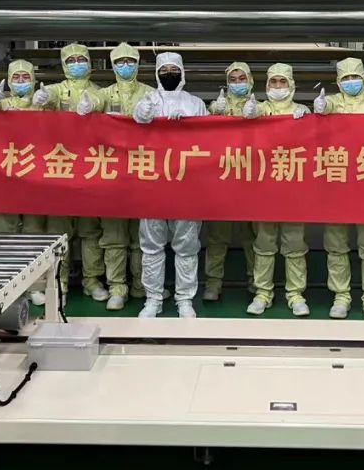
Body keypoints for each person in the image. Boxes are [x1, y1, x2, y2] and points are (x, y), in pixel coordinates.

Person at [133, 52, 209, 318]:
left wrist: (191, 125)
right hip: (153, 185)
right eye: (163, 70)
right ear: (156, 73)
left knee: (187, 246)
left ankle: (184, 299)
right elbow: (133, 131)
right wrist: (141, 114)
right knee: (151, 246)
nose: (169, 74)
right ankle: (153, 299)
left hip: (187, 186)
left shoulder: (195, 104)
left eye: (173, 69)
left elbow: (211, 140)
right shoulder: (147, 101)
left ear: (182, 72)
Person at [32, 43, 109, 305]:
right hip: (60, 170)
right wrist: (42, 100)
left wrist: (93, 104)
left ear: (89, 63)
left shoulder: (99, 92)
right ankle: (59, 282)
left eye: (81, 59)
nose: (77, 64)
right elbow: (46, 102)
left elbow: (105, 109)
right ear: (64, 65)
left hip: (90, 169)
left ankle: (92, 280)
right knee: (59, 232)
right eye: (71, 60)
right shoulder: (54, 90)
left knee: (90, 231)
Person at [312, 57, 364, 320]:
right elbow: (323, 113)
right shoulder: (332, 103)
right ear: (338, 82)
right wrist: (321, 108)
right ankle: (341, 296)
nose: (351, 82)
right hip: (337, 185)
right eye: (346, 78)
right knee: (336, 245)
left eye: (355, 77)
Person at [79, 42, 152, 305]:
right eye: (120, 62)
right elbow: (96, 102)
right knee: (114, 236)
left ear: (138, 64)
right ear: (113, 65)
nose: (125, 66)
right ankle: (117, 287)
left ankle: (141, 286)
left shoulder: (150, 94)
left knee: (142, 237)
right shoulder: (104, 94)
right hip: (110, 175)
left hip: (143, 173)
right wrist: (89, 104)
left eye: (130, 61)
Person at [242, 63, 311, 316]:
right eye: (274, 82)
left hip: (294, 189)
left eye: (283, 82)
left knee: (295, 243)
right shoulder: (259, 109)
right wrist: (247, 113)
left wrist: (309, 121)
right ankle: (263, 293)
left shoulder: (302, 111)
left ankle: (296, 294)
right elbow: (244, 131)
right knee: (264, 242)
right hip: (265, 189)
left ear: (291, 84)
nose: (278, 86)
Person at [202, 61, 257, 301]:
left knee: (252, 236)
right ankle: (213, 283)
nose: (237, 83)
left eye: (241, 79)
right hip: (223, 181)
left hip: (251, 180)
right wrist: (214, 112)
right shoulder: (217, 107)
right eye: (232, 80)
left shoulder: (260, 107)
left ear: (250, 81)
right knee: (217, 237)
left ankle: (256, 281)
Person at [0, 59, 49, 235]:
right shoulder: (2, 103)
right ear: (9, 80)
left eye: (25, 77)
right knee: (3, 226)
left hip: (34, 171)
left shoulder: (42, 104)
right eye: (16, 77)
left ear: (33, 79)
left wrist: (46, 102)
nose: (21, 81)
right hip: (4, 170)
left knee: (34, 227)